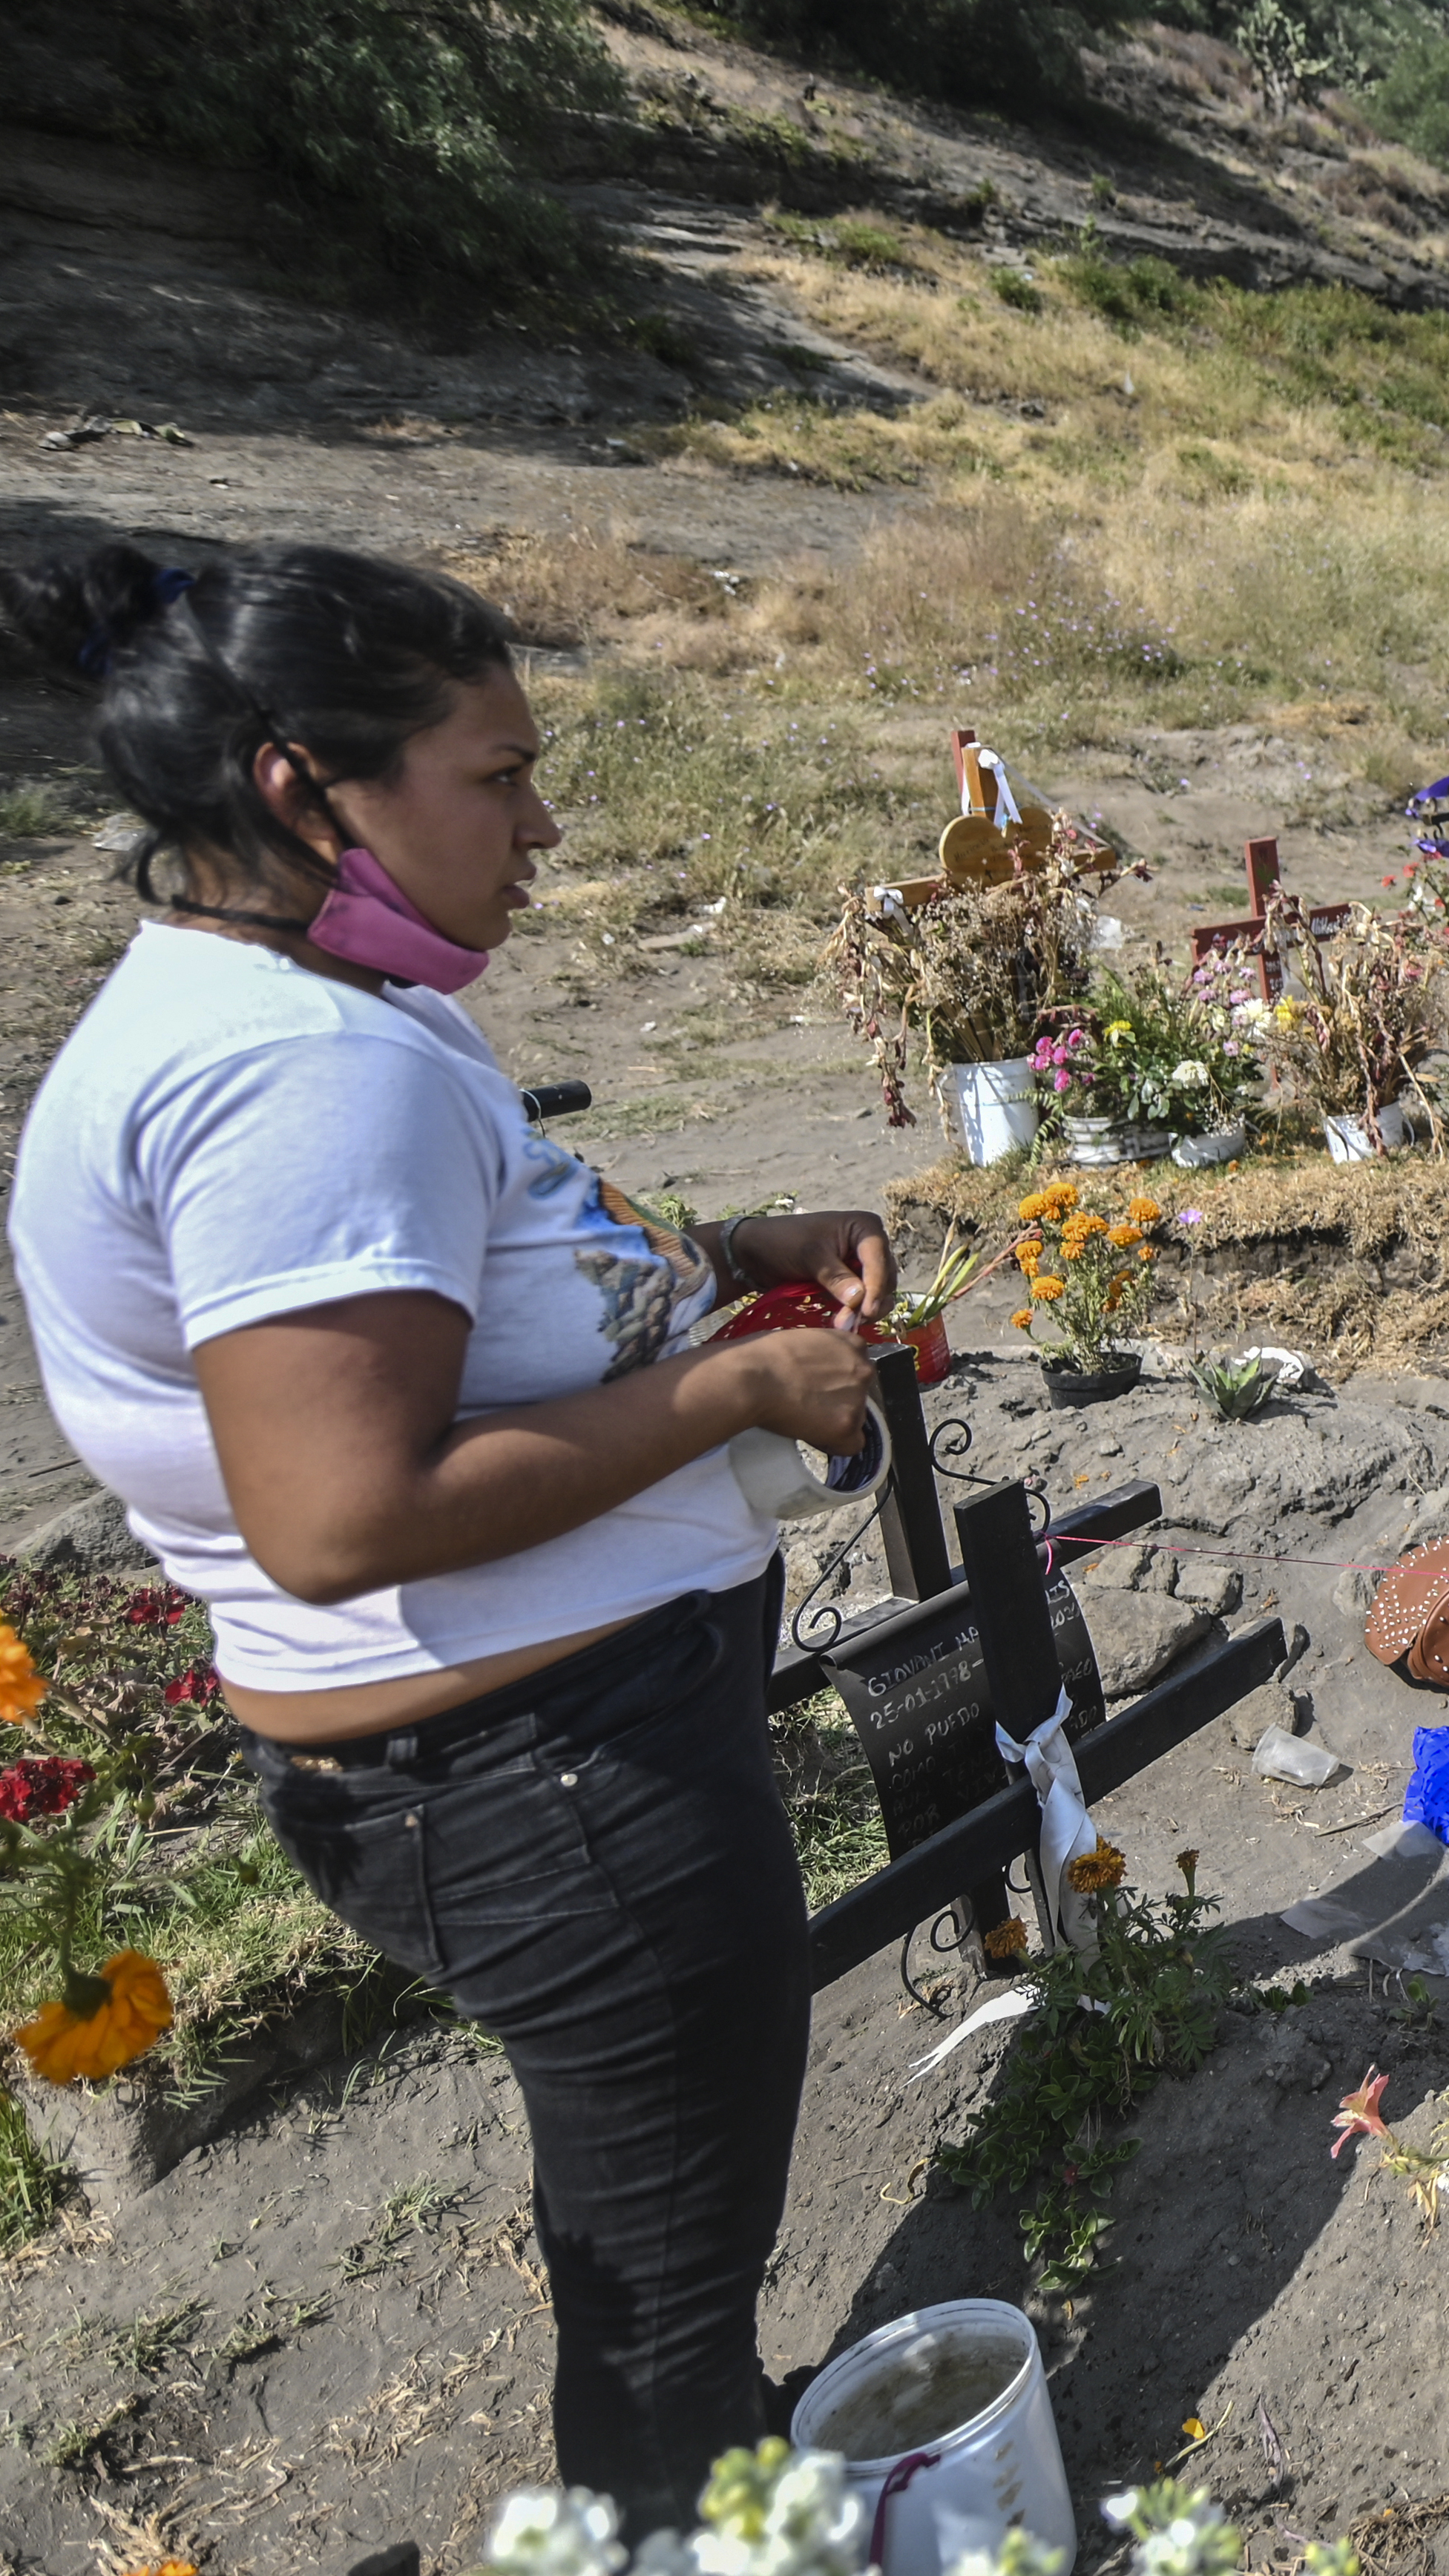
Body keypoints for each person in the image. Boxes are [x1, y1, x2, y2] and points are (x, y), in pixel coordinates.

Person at [2, 542, 893, 2522]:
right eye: (497, 777)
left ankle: (711, 2475)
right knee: (663, 2301)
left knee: (658, 2240)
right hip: (545, 1780)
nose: (546, 825)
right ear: (307, 788)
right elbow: (343, 1515)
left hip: (519, 1756)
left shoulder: (289, 1001)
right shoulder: (294, 1073)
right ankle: (693, 2525)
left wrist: (720, 1259)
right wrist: (738, 1389)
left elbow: (452, 1297)